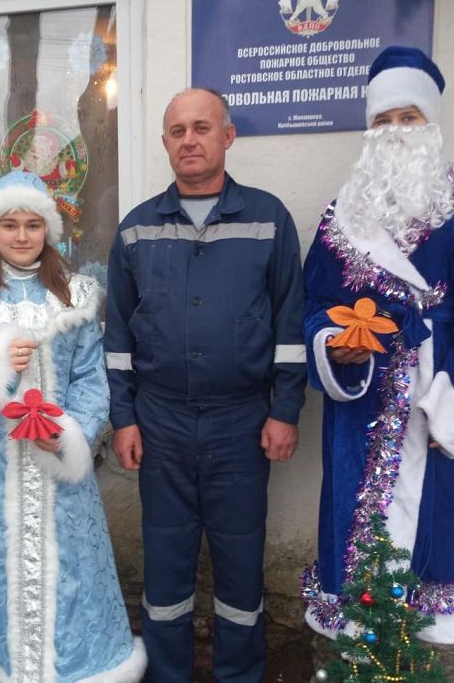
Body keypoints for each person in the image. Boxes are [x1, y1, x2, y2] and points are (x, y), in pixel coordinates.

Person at [301, 46, 454, 645]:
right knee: (352, 511)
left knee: (426, 518)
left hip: (430, 393)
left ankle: (410, 651)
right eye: (383, 120)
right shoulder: (342, 215)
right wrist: (332, 345)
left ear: (430, 124)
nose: (395, 131)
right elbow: (313, 305)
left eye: (408, 117)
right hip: (359, 404)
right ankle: (356, 642)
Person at [105, 88, 307, 681]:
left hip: (242, 423)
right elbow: (118, 335)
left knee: (241, 566)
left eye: (201, 127)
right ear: (165, 142)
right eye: (178, 131)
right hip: (160, 423)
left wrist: (285, 409)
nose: (189, 140)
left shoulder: (268, 220)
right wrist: (124, 417)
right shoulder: (137, 229)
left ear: (228, 136)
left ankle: (239, 674)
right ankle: (168, 673)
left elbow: (290, 325)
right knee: (165, 566)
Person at [0, 170, 145, 682]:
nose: (21, 236)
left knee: (68, 566)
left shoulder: (76, 294)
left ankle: (74, 668)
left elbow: (91, 377)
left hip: (57, 465)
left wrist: (72, 434)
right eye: (10, 225)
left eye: (32, 224)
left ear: (48, 229)